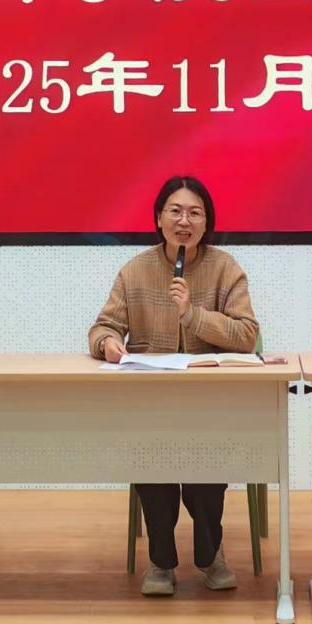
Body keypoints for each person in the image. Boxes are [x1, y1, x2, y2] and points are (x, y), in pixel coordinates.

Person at [89, 175, 259, 596]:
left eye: (195, 213)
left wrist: (193, 316)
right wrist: (107, 343)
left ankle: (210, 554)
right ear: (159, 218)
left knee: (206, 471)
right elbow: (103, 326)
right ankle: (161, 562)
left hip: (210, 403)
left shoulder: (225, 268)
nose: (185, 221)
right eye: (176, 211)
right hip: (153, 402)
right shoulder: (135, 270)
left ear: (207, 222)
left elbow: (247, 335)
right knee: (152, 462)